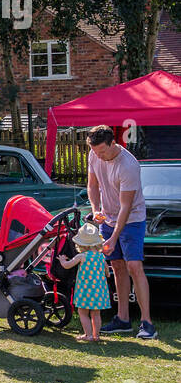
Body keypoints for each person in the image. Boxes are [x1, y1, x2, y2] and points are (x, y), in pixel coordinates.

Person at [86, 125, 154, 338]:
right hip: (108, 217)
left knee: (134, 266)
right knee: (116, 266)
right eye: (95, 151)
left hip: (132, 219)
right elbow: (92, 186)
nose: (98, 156)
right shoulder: (94, 154)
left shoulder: (128, 165)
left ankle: (147, 323)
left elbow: (126, 207)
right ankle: (123, 319)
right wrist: (96, 210)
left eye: (102, 151)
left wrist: (114, 237)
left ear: (113, 143)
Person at [60, 223, 112, 343]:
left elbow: (67, 266)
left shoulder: (81, 256)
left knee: (83, 313)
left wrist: (62, 260)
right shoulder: (101, 257)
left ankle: (88, 335)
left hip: (85, 290)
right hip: (99, 291)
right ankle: (96, 335)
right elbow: (107, 272)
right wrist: (105, 275)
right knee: (96, 314)